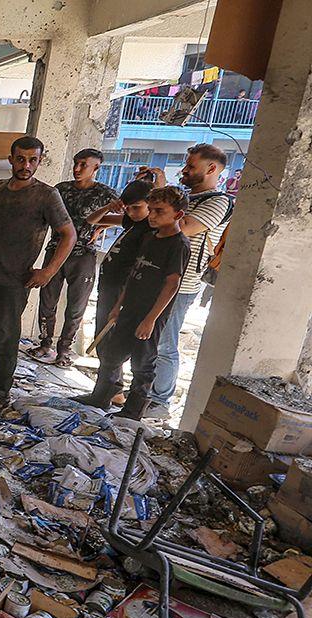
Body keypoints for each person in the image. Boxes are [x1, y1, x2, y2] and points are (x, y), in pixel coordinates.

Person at [0, 136, 76, 410]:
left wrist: (48, 271)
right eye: (20, 159)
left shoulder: (47, 195)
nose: (26, 165)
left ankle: (0, 392)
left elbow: (69, 234)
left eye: (32, 160)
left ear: (39, 161)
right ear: (11, 159)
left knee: (7, 338)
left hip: (15, 280)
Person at [76, 187, 191, 420]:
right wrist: (118, 306)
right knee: (111, 354)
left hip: (150, 315)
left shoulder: (178, 244)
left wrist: (150, 319)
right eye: (151, 210)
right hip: (129, 309)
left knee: (142, 364)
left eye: (160, 211)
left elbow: (171, 285)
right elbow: (133, 273)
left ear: (178, 215)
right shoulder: (150, 237)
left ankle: (133, 411)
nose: (153, 216)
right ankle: (102, 396)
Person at [138, 143, 233, 417]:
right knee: (148, 338)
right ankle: (143, 394)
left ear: (212, 169)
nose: (185, 170)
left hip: (182, 283)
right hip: (157, 276)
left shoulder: (218, 201)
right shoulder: (187, 197)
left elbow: (183, 228)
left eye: (191, 166)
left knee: (165, 342)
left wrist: (162, 196)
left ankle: (160, 401)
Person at [27, 149, 118, 366]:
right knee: (47, 300)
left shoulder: (106, 194)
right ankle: (45, 343)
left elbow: (129, 214)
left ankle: (64, 350)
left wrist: (99, 228)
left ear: (96, 168)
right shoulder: (61, 189)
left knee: (76, 306)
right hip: (56, 250)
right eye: (76, 163)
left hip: (83, 254)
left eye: (83, 165)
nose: (77, 169)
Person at [85, 179, 155, 406]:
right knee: (104, 341)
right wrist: (109, 207)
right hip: (109, 286)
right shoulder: (132, 221)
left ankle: (107, 392)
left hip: (121, 291)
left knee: (111, 344)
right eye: (128, 208)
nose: (132, 213)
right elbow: (91, 220)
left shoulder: (149, 230)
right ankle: (109, 390)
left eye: (137, 208)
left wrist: (122, 301)